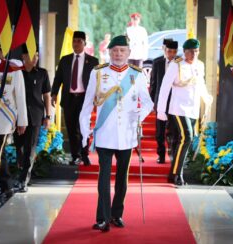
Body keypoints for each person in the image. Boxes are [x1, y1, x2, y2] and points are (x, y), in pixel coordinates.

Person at [79, 35, 153, 232]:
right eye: (115, 51)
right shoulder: (98, 73)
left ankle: (116, 214)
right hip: (105, 133)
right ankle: (102, 218)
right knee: (104, 177)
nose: (118, 54)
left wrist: (140, 115)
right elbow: (87, 105)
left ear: (128, 53)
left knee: (122, 178)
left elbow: (148, 102)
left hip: (127, 135)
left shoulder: (137, 74)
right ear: (109, 53)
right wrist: (85, 131)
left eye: (122, 50)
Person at [157, 38, 213, 185]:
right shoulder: (176, 65)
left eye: (196, 51)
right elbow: (164, 87)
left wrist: (206, 98)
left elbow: (201, 84)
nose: (193, 54)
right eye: (190, 51)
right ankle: (177, 173)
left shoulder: (200, 65)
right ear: (184, 52)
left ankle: (173, 173)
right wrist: (161, 111)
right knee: (187, 137)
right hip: (178, 108)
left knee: (181, 140)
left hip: (193, 108)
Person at [0, 43, 28, 198]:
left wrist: (22, 121)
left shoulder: (13, 69)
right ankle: (5, 185)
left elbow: (20, 96)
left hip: (4, 117)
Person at [51, 31, 99, 166]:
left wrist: (96, 96)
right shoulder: (65, 60)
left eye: (79, 41)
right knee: (71, 128)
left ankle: (85, 155)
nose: (76, 44)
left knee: (83, 127)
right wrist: (54, 93)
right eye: (74, 41)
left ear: (84, 43)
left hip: (85, 99)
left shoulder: (93, 61)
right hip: (69, 98)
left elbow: (97, 81)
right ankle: (75, 156)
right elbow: (58, 78)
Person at [14, 48, 52, 192]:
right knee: (19, 147)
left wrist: (48, 116)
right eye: (31, 55)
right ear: (24, 56)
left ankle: (23, 180)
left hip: (35, 116)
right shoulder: (16, 72)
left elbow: (47, 96)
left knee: (30, 148)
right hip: (18, 117)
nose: (35, 58)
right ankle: (20, 173)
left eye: (36, 55)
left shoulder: (42, 73)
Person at [150, 40, 178, 164]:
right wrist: (152, 102)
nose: (171, 54)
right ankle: (161, 154)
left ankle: (172, 153)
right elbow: (153, 83)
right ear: (164, 50)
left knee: (173, 129)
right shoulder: (157, 62)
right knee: (160, 131)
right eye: (169, 51)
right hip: (160, 101)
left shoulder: (180, 62)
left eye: (174, 52)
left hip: (174, 101)